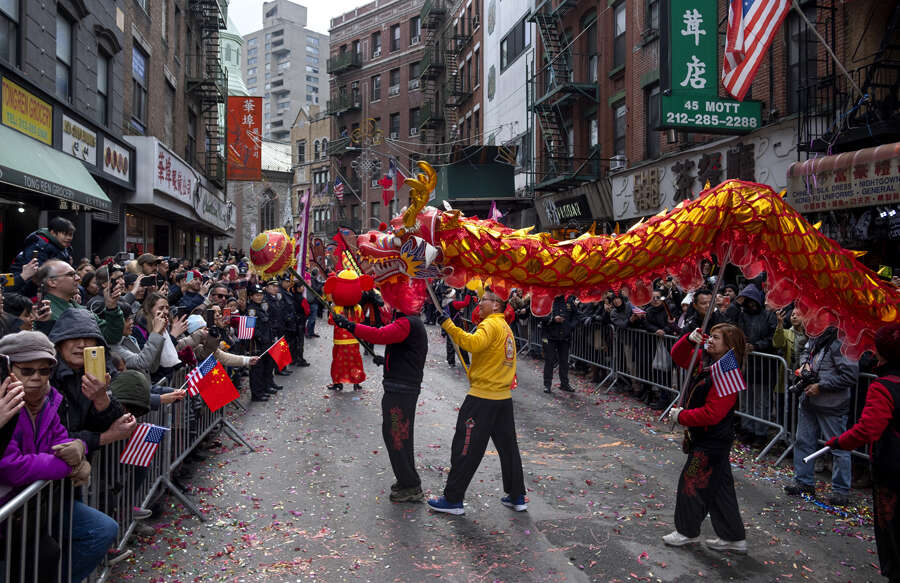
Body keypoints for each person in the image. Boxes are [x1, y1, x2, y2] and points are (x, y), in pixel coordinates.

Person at [0, 330, 117, 582]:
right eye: (27, 370)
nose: (37, 378)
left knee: (103, 530)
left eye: (44, 371)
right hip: (8, 511)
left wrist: (79, 447)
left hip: (38, 505)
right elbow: (12, 467)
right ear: (9, 370)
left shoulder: (50, 398)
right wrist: (70, 466)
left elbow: (60, 439)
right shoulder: (4, 405)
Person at [427, 289, 526, 515]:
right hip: (502, 398)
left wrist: (449, 325)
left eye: (484, 300)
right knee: (508, 449)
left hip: (483, 398)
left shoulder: (490, 325)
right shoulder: (505, 327)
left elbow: (472, 343)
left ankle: (453, 499)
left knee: (465, 446)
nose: (479, 304)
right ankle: (517, 496)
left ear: (496, 305)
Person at [333, 290, 428, 503]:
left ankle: (410, 485)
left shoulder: (407, 322)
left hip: (402, 390)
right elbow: (403, 350)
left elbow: (381, 335)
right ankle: (407, 480)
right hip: (400, 386)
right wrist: (385, 361)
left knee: (397, 436)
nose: (390, 305)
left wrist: (350, 326)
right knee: (397, 435)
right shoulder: (409, 321)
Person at [662, 324, 748, 553]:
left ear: (729, 346)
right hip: (706, 438)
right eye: (711, 336)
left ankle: (686, 531)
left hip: (711, 442)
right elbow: (679, 356)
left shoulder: (727, 372)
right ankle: (733, 537)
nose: (710, 340)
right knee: (720, 489)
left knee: (691, 482)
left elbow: (713, 413)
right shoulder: (707, 361)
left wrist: (682, 416)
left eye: (716, 338)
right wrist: (689, 340)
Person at [825, 324, 900, 582]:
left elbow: (868, 428)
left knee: (892, 533)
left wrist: (838, 442)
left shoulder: (883, 386)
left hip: (892, 469)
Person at [784, 326, 859, 506]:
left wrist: (821, 386)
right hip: (808, 401)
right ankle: (803, 482)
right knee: (803, 441)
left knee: (839, 447)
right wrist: (805, 365)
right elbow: (806, 351)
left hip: (832, 405)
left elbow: (850, 375)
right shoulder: (816, 336)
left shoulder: (843, 341)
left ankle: (841, 490)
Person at [33, 259, 126, 346]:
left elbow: (112, 337)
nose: (78, 278)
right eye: (71, 275)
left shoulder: (81, 309)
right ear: (52, 282)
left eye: (76, 274)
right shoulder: (42, 312)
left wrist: (112, 307)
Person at [10, 217, 76, 273]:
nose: (69, 238)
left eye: (70, 235)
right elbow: (38, 273)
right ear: (53, 233)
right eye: (65, 234)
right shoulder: (38, 245)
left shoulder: (63, 246)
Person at [542, 295, 578, 393]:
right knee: (549, 360)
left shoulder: (569, 301)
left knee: (564, 361)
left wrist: (570, 326)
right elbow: (541, 316)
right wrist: (553, 319)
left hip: (564, 337)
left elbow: (576, 315)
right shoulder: (548, 300)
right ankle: (547, 384)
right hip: (550, 336)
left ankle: (564, 384)